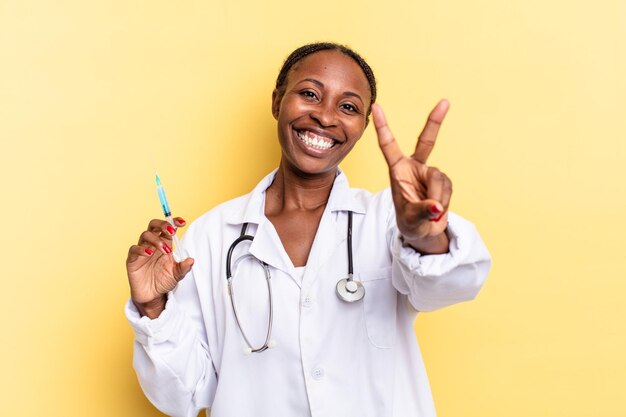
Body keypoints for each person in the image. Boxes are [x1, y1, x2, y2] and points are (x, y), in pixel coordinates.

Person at [125, 42, 491, 417]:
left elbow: (454, 286)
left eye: (348, 107)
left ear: (363, 128)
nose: (326, 117)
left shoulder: (387, 219)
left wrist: (425, 237)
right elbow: (183, 396)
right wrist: (153, 308)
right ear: (277, 101)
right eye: (310, 94)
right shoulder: (211, 237)